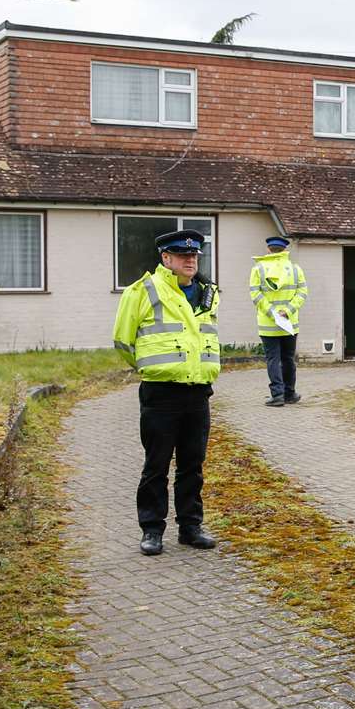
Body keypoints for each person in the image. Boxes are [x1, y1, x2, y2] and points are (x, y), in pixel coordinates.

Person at [112, 229, 221, 556]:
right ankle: (151, 530)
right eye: (183, 255)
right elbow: (123, 342)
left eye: (194, 255)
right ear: (166, 258)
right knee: (156, 464)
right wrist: (154, 367)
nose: (190, 260)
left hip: (198, 391)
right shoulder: (142, 291)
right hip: (161, 393)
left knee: (192, 464)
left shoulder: (208, 293)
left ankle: (190, 527)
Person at [250, 234, 308, 407]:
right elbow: (302, 293)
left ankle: (277, 395)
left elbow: (255, 294)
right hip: (289, 324)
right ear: (285, 250)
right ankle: (290, 393)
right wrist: (287, 311)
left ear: (268, 249)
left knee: (273, 359)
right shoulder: (296, 269)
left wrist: (271, 312)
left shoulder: (258, 269)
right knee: (288, 359)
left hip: (268, 324)